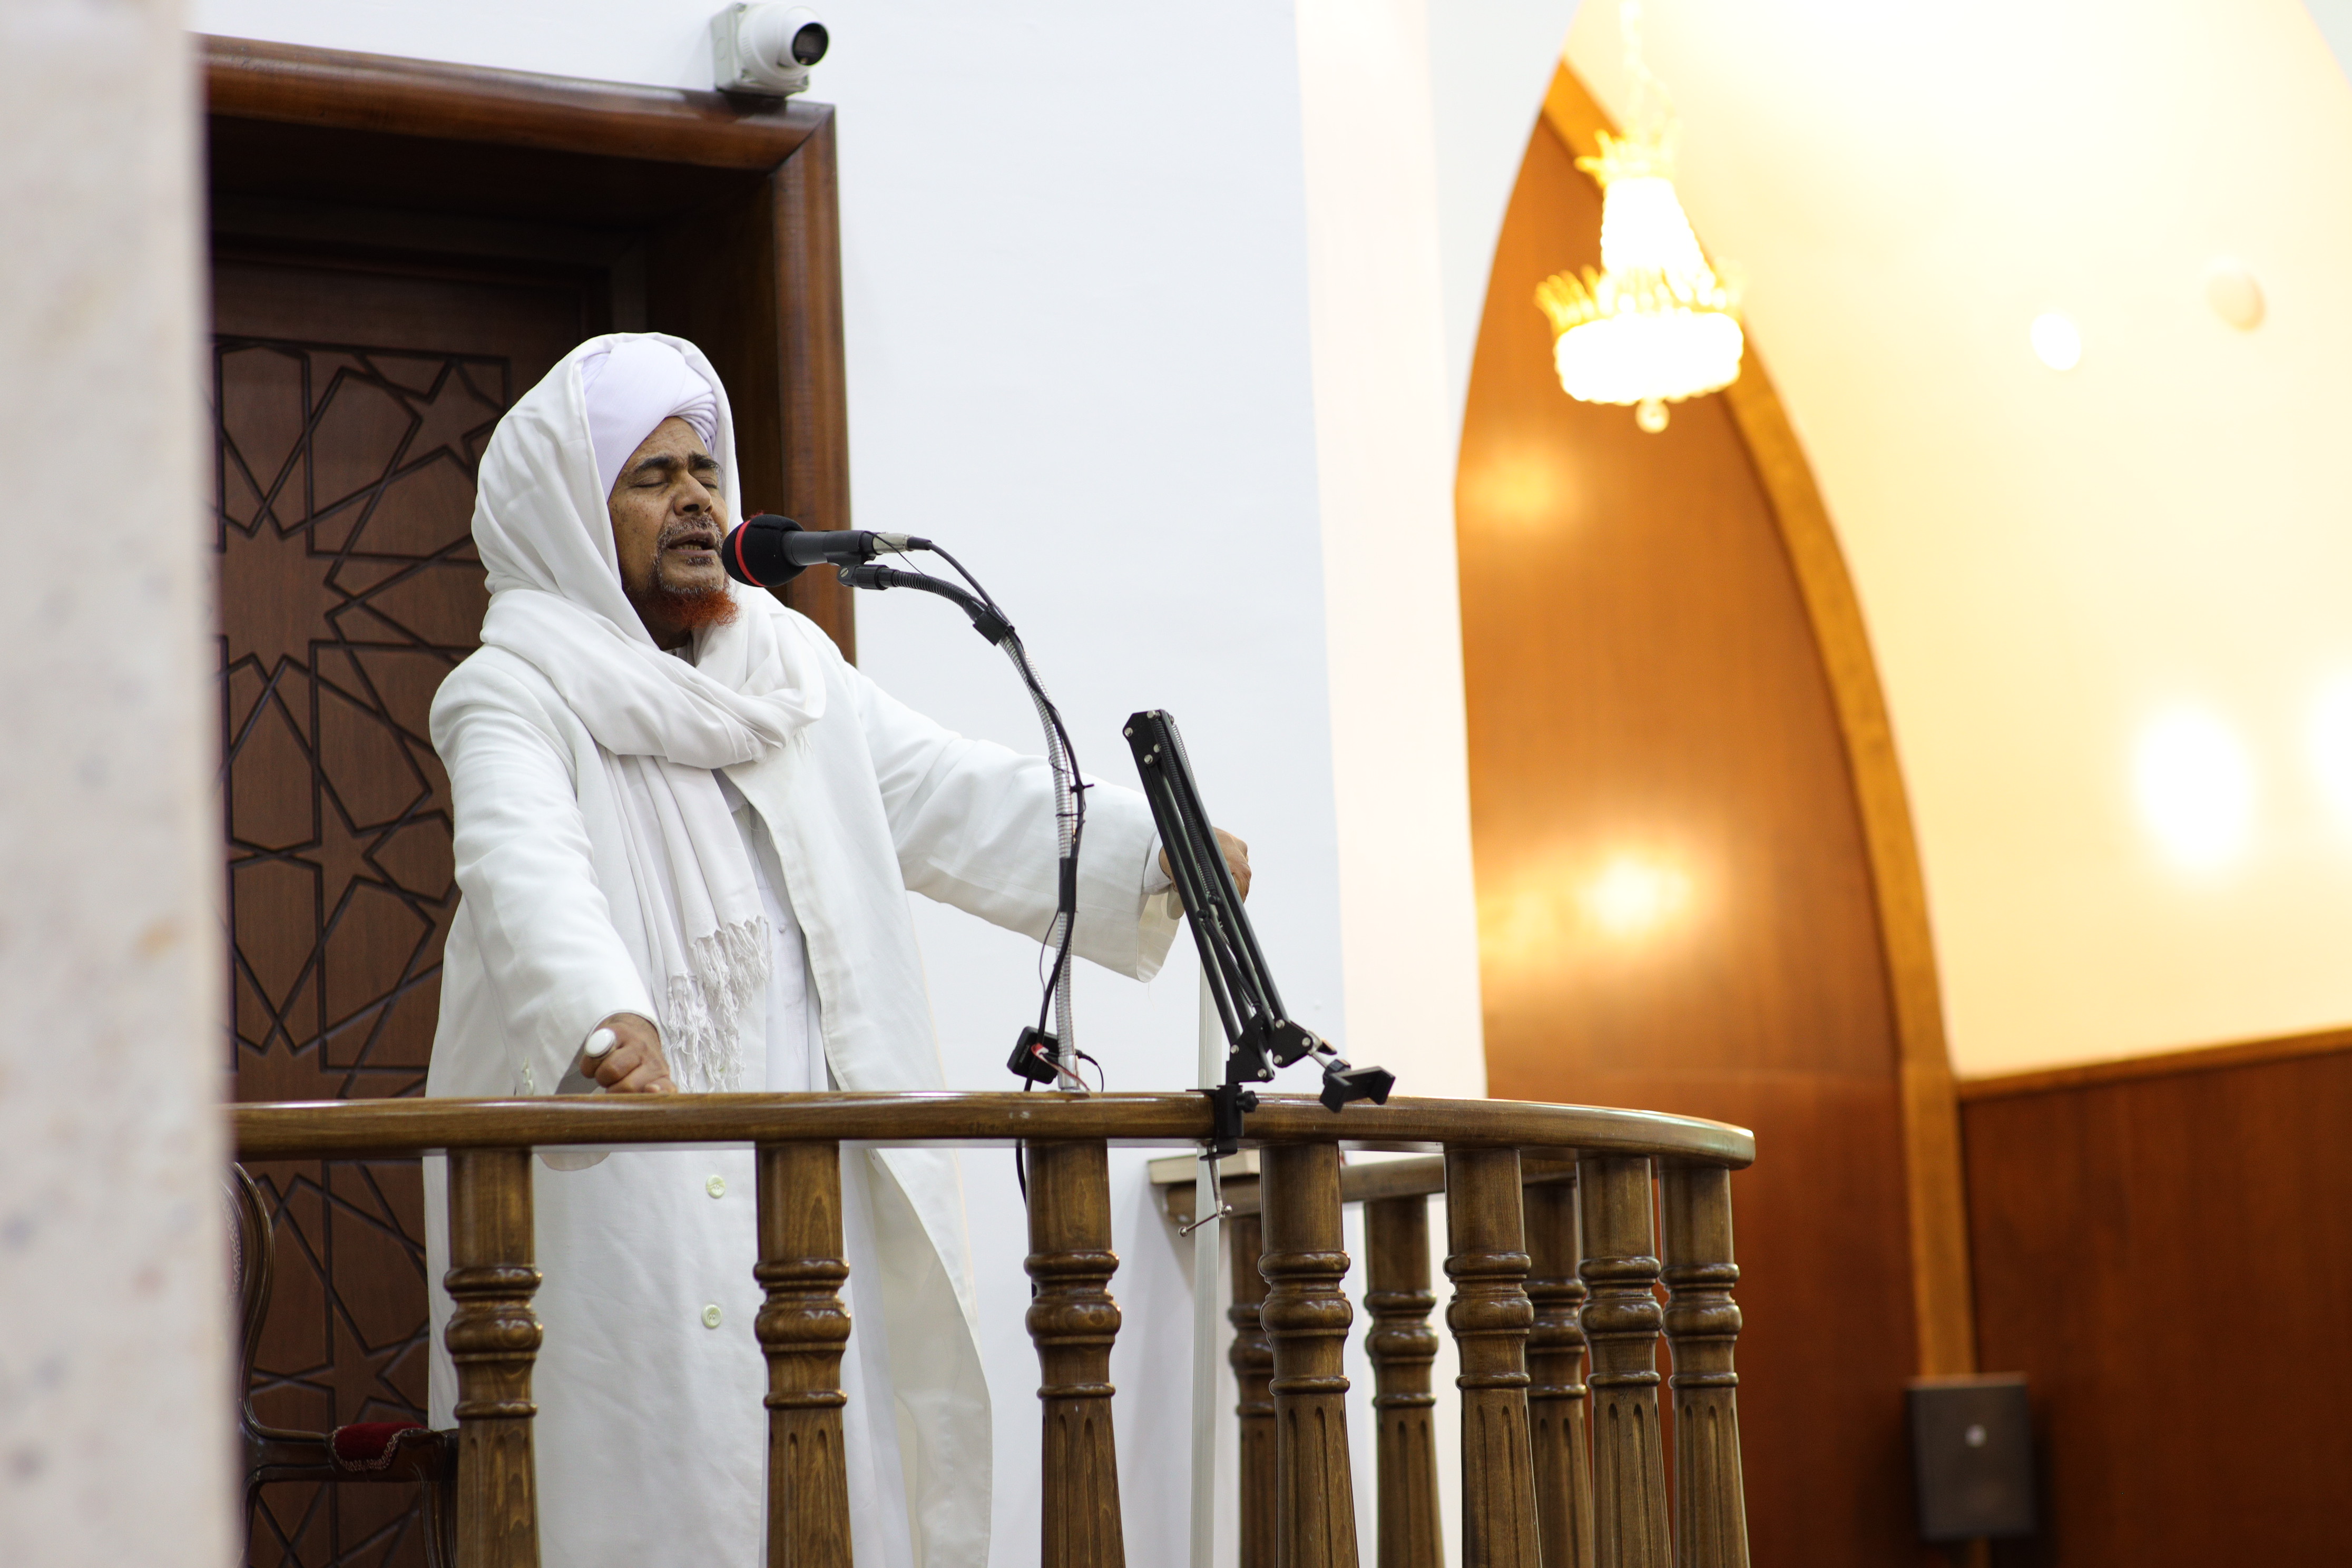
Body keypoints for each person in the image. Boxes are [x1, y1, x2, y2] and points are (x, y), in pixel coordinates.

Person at [420, 334, 1247, 1568]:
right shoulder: (514, 687)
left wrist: (1153, 848)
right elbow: (521, 862)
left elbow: (950, 793)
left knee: (823, 1487)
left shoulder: (787, 667)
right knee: (658, 1496)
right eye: (652, 476)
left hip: (807, 1175)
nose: (697, 499)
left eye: (706, 469)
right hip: (627, 1165)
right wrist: (602, 1013)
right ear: (571, 514)